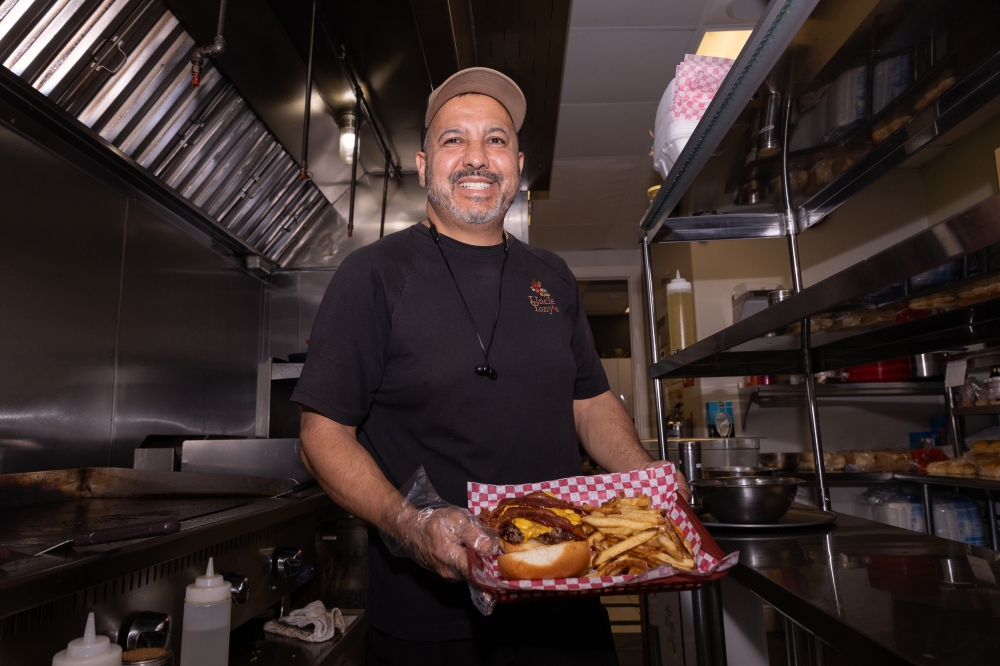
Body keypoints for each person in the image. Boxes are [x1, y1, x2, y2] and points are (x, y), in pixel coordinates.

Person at [293, 67, 689, 666]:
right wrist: (410, 522)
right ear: (424, 166)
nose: (477, 158)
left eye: (496, 140)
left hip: (569, 607)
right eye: (454, 140)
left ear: (518, 165)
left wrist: (646, 483)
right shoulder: (373, 276)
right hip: (430, 627)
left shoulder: (552, 276)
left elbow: (590, 402)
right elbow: (321, 434)